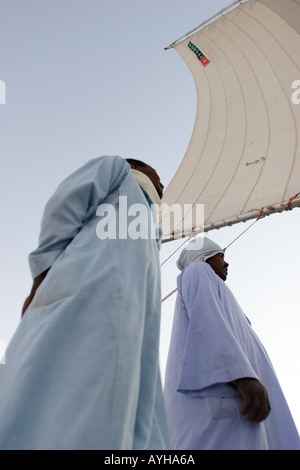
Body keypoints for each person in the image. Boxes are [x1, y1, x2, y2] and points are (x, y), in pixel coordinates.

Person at [0, 155, 169, 450]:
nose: (163, 183)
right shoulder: (118, 170)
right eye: (157, 175)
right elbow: (65, 205)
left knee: (129, 410)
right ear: (137, 167)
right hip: (83, 295)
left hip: (133, 327)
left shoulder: (152, 228)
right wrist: (43, 273)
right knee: (60, 390)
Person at [164, 237, 300, 450]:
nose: (226, 263)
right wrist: (243, 375)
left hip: (240, 399)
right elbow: (207, 320)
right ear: (202, 258)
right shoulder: (197, 272)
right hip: (222, 399)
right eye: (221, 256)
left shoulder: (220, 290)